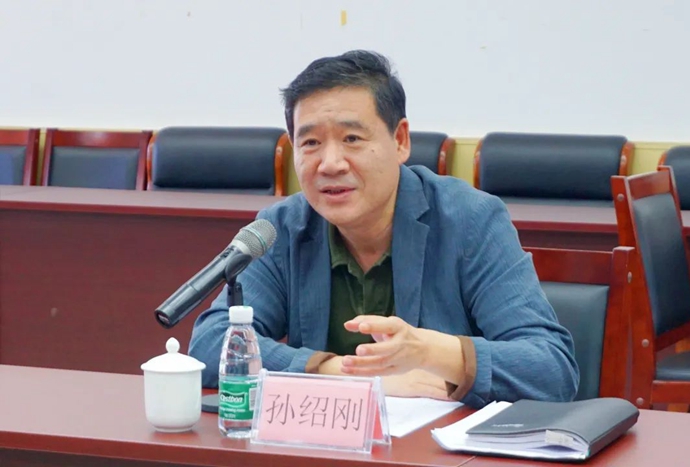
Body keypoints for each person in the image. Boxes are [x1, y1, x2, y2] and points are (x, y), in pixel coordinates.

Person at [189, 50, 579, 407]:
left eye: (352, 139)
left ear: (400, 140)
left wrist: (429, 352)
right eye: (310, 143)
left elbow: (551, 369)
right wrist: (341, 373)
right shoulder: (283, 227)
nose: (330, 163)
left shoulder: (471, 220)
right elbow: (211, 343)